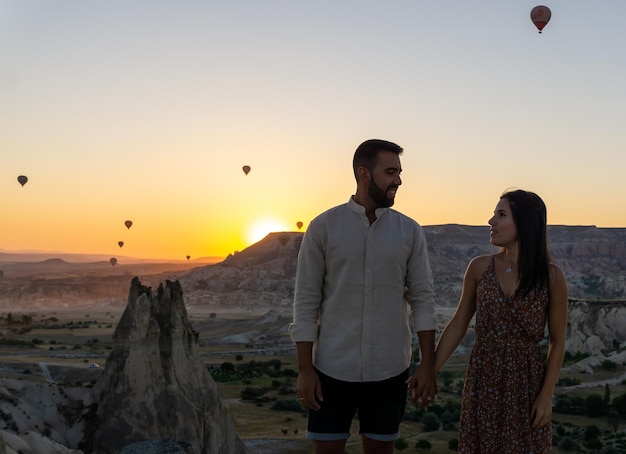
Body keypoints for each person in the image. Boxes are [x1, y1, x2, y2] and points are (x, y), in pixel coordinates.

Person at [288, 139, 438, 454]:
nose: (399, 180)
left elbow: (422, 298)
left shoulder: (410, 231)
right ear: (364, 174)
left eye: (399, 172)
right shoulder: (323, 228)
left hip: (389, 369)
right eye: (391, 172)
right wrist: (305, 369)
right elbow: (306, 301)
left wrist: (427, 364)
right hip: (331, 368)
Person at [430, 189, 568, 453]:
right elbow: (459, 323)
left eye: (501, 215)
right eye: (494, 214)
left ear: (525, 222)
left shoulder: (551, 277)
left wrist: (546, 396)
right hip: (484, 377)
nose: (491, 221)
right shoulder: (480, 267)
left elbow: (557, 341)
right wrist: (429, 371)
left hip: (527, 382)